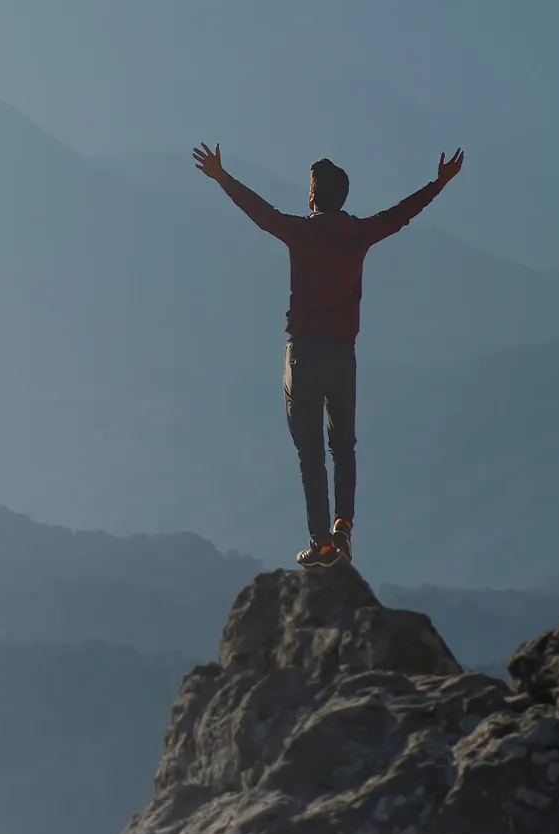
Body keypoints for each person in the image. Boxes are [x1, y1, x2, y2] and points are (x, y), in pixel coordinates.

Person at [190, 143, 463, 567]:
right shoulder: (358, 234)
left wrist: (222, 177)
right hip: (343, 356)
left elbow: (259, 212)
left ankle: (319, 543)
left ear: (312, 197)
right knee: (343, 446)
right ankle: (343, 527)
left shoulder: (301, 232)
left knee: (310, 450)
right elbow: (401, 214)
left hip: (304, 354)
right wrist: (439, 184)